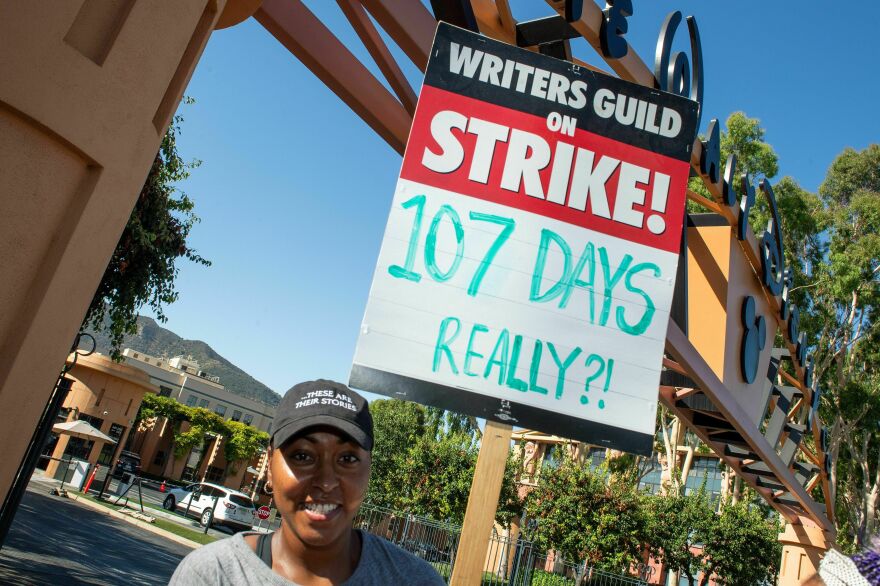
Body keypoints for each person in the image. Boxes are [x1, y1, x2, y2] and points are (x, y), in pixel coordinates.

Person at [170, 380, 445, 585]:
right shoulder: (211, 575)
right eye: (302, 456)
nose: (326, 482)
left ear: (369, 468)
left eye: (348, 458)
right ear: (269, 464)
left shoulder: (415, 580)